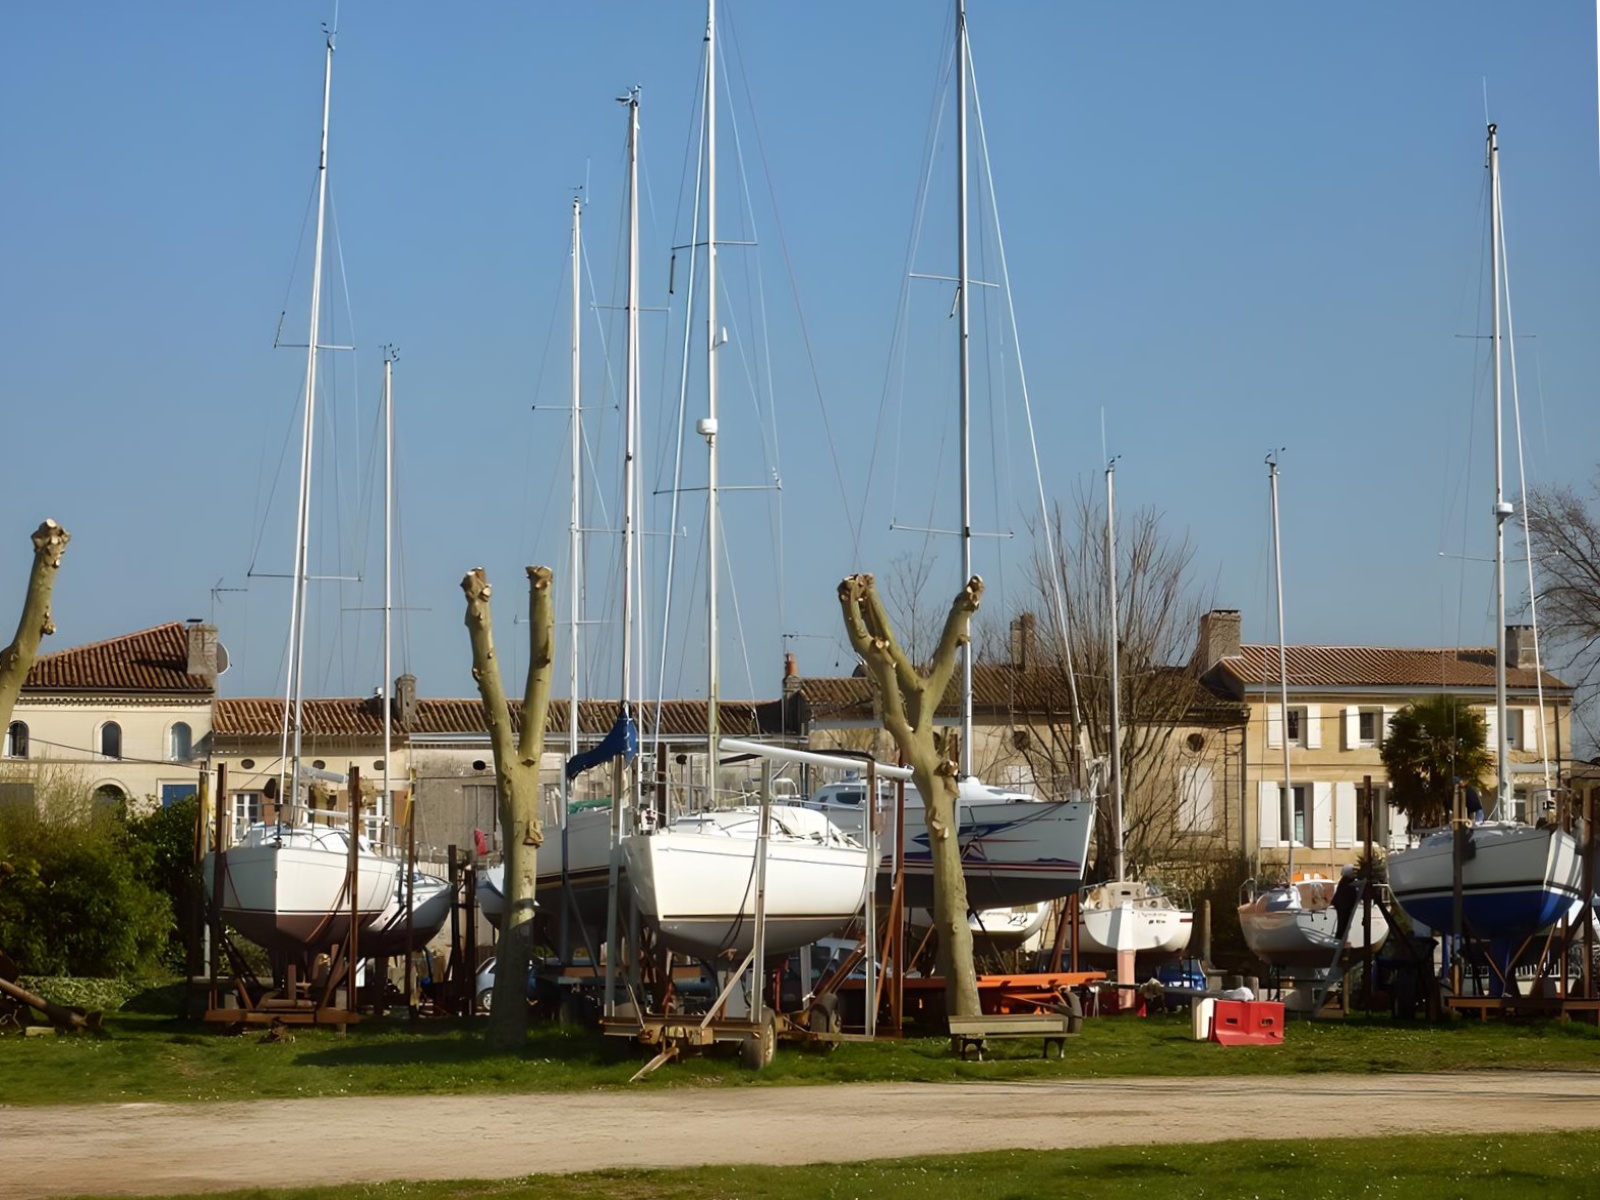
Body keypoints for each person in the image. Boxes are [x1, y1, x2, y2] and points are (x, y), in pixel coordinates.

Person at [1332, 864, 1361, 943]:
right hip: (1344, 905)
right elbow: (1356, 884)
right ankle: (1340, 939)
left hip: (1342, 904)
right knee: (1343, 922)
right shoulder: (1347, 881)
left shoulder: (1344, 881)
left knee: (1343, 922)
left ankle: (1340, 938)